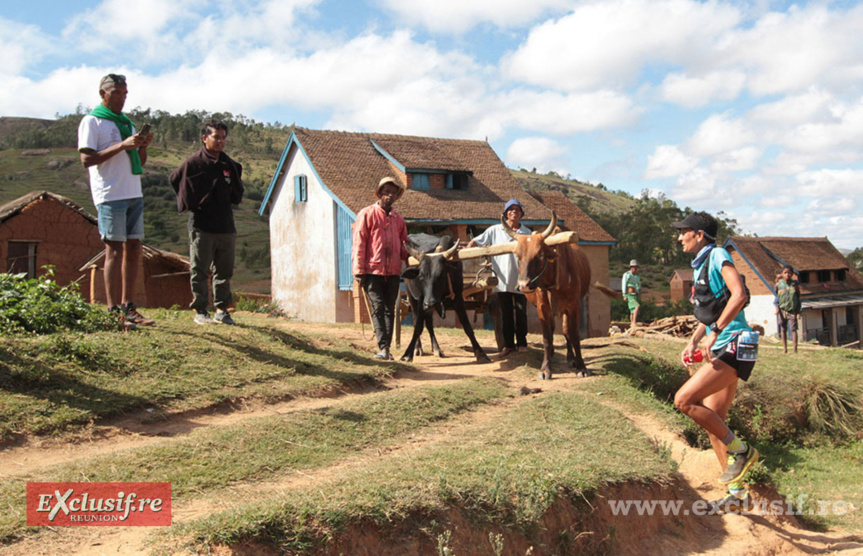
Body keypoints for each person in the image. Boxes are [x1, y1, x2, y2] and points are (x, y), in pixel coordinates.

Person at [672, 212, 760, 513]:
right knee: (713, 419)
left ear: (699, 235)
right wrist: (696, 339)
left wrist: (717, 334)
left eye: (683, 232)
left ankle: (742, 450)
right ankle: (737, 494)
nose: (679, 237)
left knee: (683, 400)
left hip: (734, 344)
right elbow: (711, 312)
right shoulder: (700, 265)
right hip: (723, 344)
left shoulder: (718, 254)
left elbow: (740, 295)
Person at [78, 73, 154, 329]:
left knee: (134, 248)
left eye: (125, 93)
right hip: (110, 194)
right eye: (117, 93)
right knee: (114, 250)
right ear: (103, 93)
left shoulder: (127, 123)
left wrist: (141, 146)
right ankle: (112, 312)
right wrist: (122, 145)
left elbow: (139, 163)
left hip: (133, 192)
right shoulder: (93, 122)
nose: (122, 98)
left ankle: (128, 307)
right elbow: (87, 160)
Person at [170, 119, 244, 325]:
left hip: (225, 226)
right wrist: (191, 200)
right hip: (202, 225)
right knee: (200, 269)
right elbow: (176, 178)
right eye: (216, 137)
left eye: (223, 137)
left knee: (224, 271)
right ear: (204, 138)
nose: (220, 141)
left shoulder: (229, 165)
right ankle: (201, 310)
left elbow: (237, 190)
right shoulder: (194, 163)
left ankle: (222, 309)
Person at [352, 177, 409, 360]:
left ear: (396, 196)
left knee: (389, 310)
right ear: (379, 193)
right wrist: (359, 271)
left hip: (393, 272)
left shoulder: (398, 220)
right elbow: (359, 243)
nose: (389, 195)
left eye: (392, 192)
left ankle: (387, 349)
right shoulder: (367, 214)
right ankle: (383, 348)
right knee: (378, 307)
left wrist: (412, 257)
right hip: (372, 271)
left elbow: (403, 246)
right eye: (386, 191)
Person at [467, 199, 530, 357]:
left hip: (521, 280)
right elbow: (477, 241)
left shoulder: (527, 233)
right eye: (511, 209)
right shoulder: (495, 230)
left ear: (521, 214)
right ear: (505, 213)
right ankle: (509, 345)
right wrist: (467, 249)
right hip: (502, 281)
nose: (514, 212)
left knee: (521, 313)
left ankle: (522, 343)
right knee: (506, 314)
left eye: (517, 209)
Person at [774, 265, 801, 353]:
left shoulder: (795, 285)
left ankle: (795, 349)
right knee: (783, 328)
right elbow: (777, 297)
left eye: (789, 273)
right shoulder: (779, 284)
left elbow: (798, 297)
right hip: (782, 309)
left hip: (792, 310)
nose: (787, 275)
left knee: (793, 329)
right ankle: (784, 349)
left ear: (792, 274)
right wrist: (777, 308)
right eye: (785, 273)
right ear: (782, 274)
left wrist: (798, 311)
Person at [622, 259, 641, 330]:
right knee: (637, 306)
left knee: (632, 311)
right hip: (629, 294)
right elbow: (624, 284)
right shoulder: (627, 275)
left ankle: (632, 324)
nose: (635, 269)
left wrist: (638, 289)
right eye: (633, 267)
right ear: (631, 267)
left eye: (636, 268)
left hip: (634, 294)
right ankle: (633, 322)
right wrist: (624, 295)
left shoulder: (636, 277)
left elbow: (638, 285)